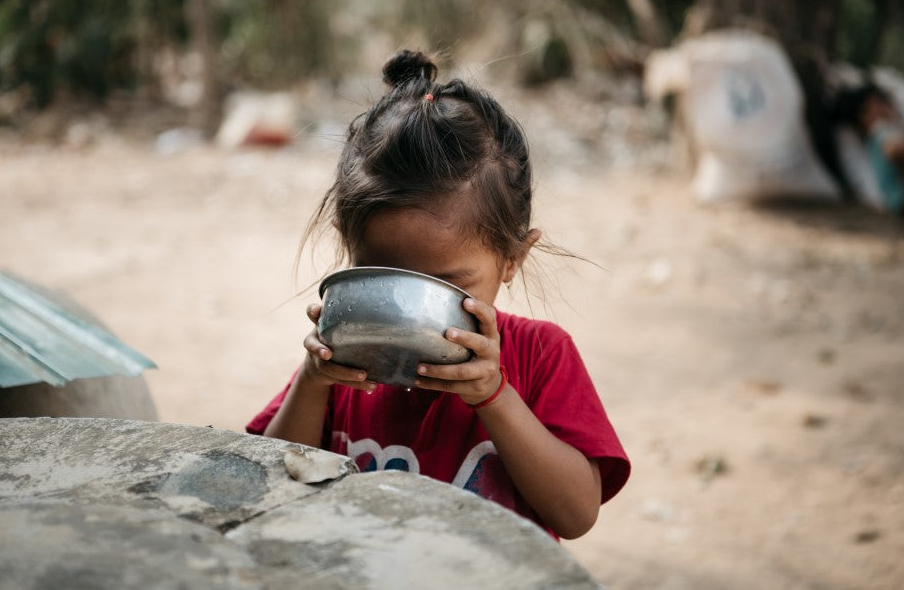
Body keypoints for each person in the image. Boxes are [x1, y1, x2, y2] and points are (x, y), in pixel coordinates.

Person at [246, 51, 630, 540]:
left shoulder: (541, 355)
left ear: (513, 257)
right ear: (351, 250)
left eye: (448, 283)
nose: (411, 311)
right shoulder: (342, 368)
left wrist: (496, 397)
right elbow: (271, 484)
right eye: (384, 275)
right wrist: (313, 379)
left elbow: (576, 515)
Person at [833, 82, 904, 215]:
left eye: (884, 102)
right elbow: (893, 150)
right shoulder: (881, 130)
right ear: (861, 117)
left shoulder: (877, 137)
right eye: (878, 104)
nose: (885, 107)